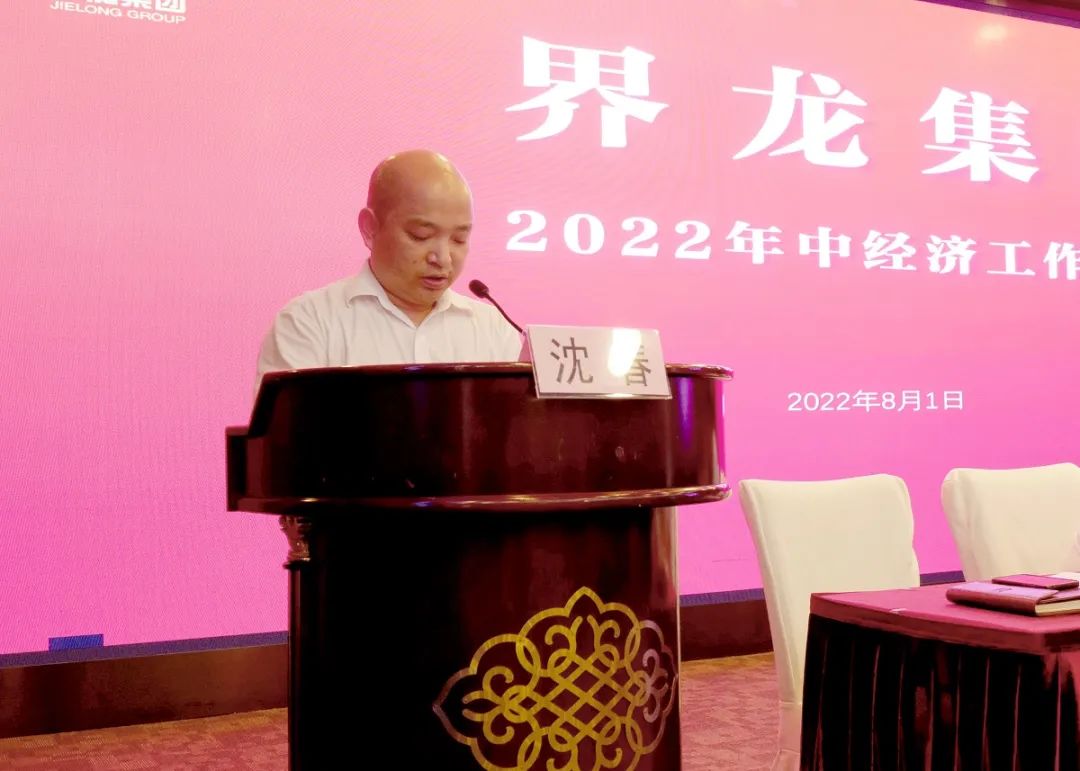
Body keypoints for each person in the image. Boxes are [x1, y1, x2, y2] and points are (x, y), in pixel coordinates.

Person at [254, 149, 522, 392]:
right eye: (420, 235)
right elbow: (288, 431)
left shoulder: (494, 330)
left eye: (459, 239)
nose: (443, 258)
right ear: (369, 228)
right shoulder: (308, 323)